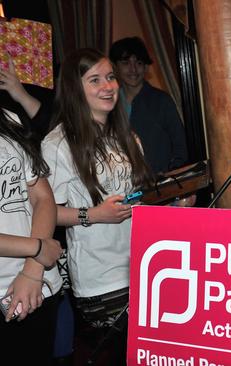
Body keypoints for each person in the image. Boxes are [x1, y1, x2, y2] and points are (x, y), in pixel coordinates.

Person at [42, 48, 152, 365]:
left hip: (141, 267)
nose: (108, 86)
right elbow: (45, 213)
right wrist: (95, 215)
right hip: (100, 278)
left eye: (110, 77)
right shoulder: (57, 144)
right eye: (95, 80)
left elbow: (136, 198)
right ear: (76, 89)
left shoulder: (126, 137)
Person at [0, 99, 63, 362]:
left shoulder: (8, 119)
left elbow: (42, 197)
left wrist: (33, 269)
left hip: (37, 285)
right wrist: (37, 249)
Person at [109, 36, 188, 175]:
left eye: (139, 63)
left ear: (146, 67)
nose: (133, 69)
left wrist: (170, 174)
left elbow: (181, 146)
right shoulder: (109, 103)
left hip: (158, 187)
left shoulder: (162, 101)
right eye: (126, 62)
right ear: (115, 67)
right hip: (120, 189)